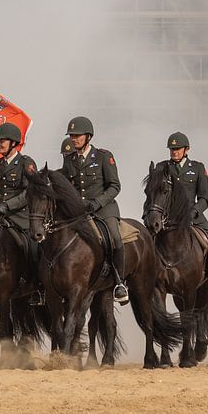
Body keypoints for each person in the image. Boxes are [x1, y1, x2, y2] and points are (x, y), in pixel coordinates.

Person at [61, 116, 128, 304]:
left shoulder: (103, 157)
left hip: (103, 209)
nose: (74, 139)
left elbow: (115, 186)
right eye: (72, 136)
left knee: (114, 238)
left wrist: (97, 203)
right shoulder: (69, 159)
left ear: (88, 136)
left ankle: (119, 282)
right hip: (78, 212)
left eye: (77, 136)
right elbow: (63, 181)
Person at [0, 122, 43, 305]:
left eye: (2, 141)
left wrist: (7, 205)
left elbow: (30, 192)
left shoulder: (26, 163)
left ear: (13, 143)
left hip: (20, 216)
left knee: (32, 246)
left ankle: (37, 285)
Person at [157, 131, 208, 297]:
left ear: (186, 149)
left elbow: (204, 198)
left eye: (178, 148)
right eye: (172, 149)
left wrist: (194, 212)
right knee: (146, 240)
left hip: (192, 215)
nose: (174, 152)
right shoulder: (162, 167)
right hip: (167, 217)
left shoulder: (198, 168)